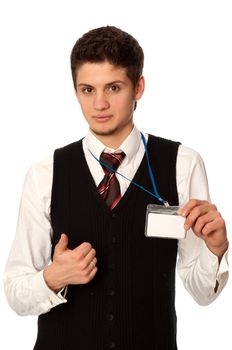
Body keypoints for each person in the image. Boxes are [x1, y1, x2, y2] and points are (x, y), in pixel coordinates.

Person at [4, 26, 229, 350]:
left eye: (113, 87)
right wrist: (54, 277)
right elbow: (15, 292)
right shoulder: (45, 174)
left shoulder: (183, 164)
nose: (99, 104)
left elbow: (202, 292)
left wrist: (216, 249)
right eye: (86, 89)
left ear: (138, 87)